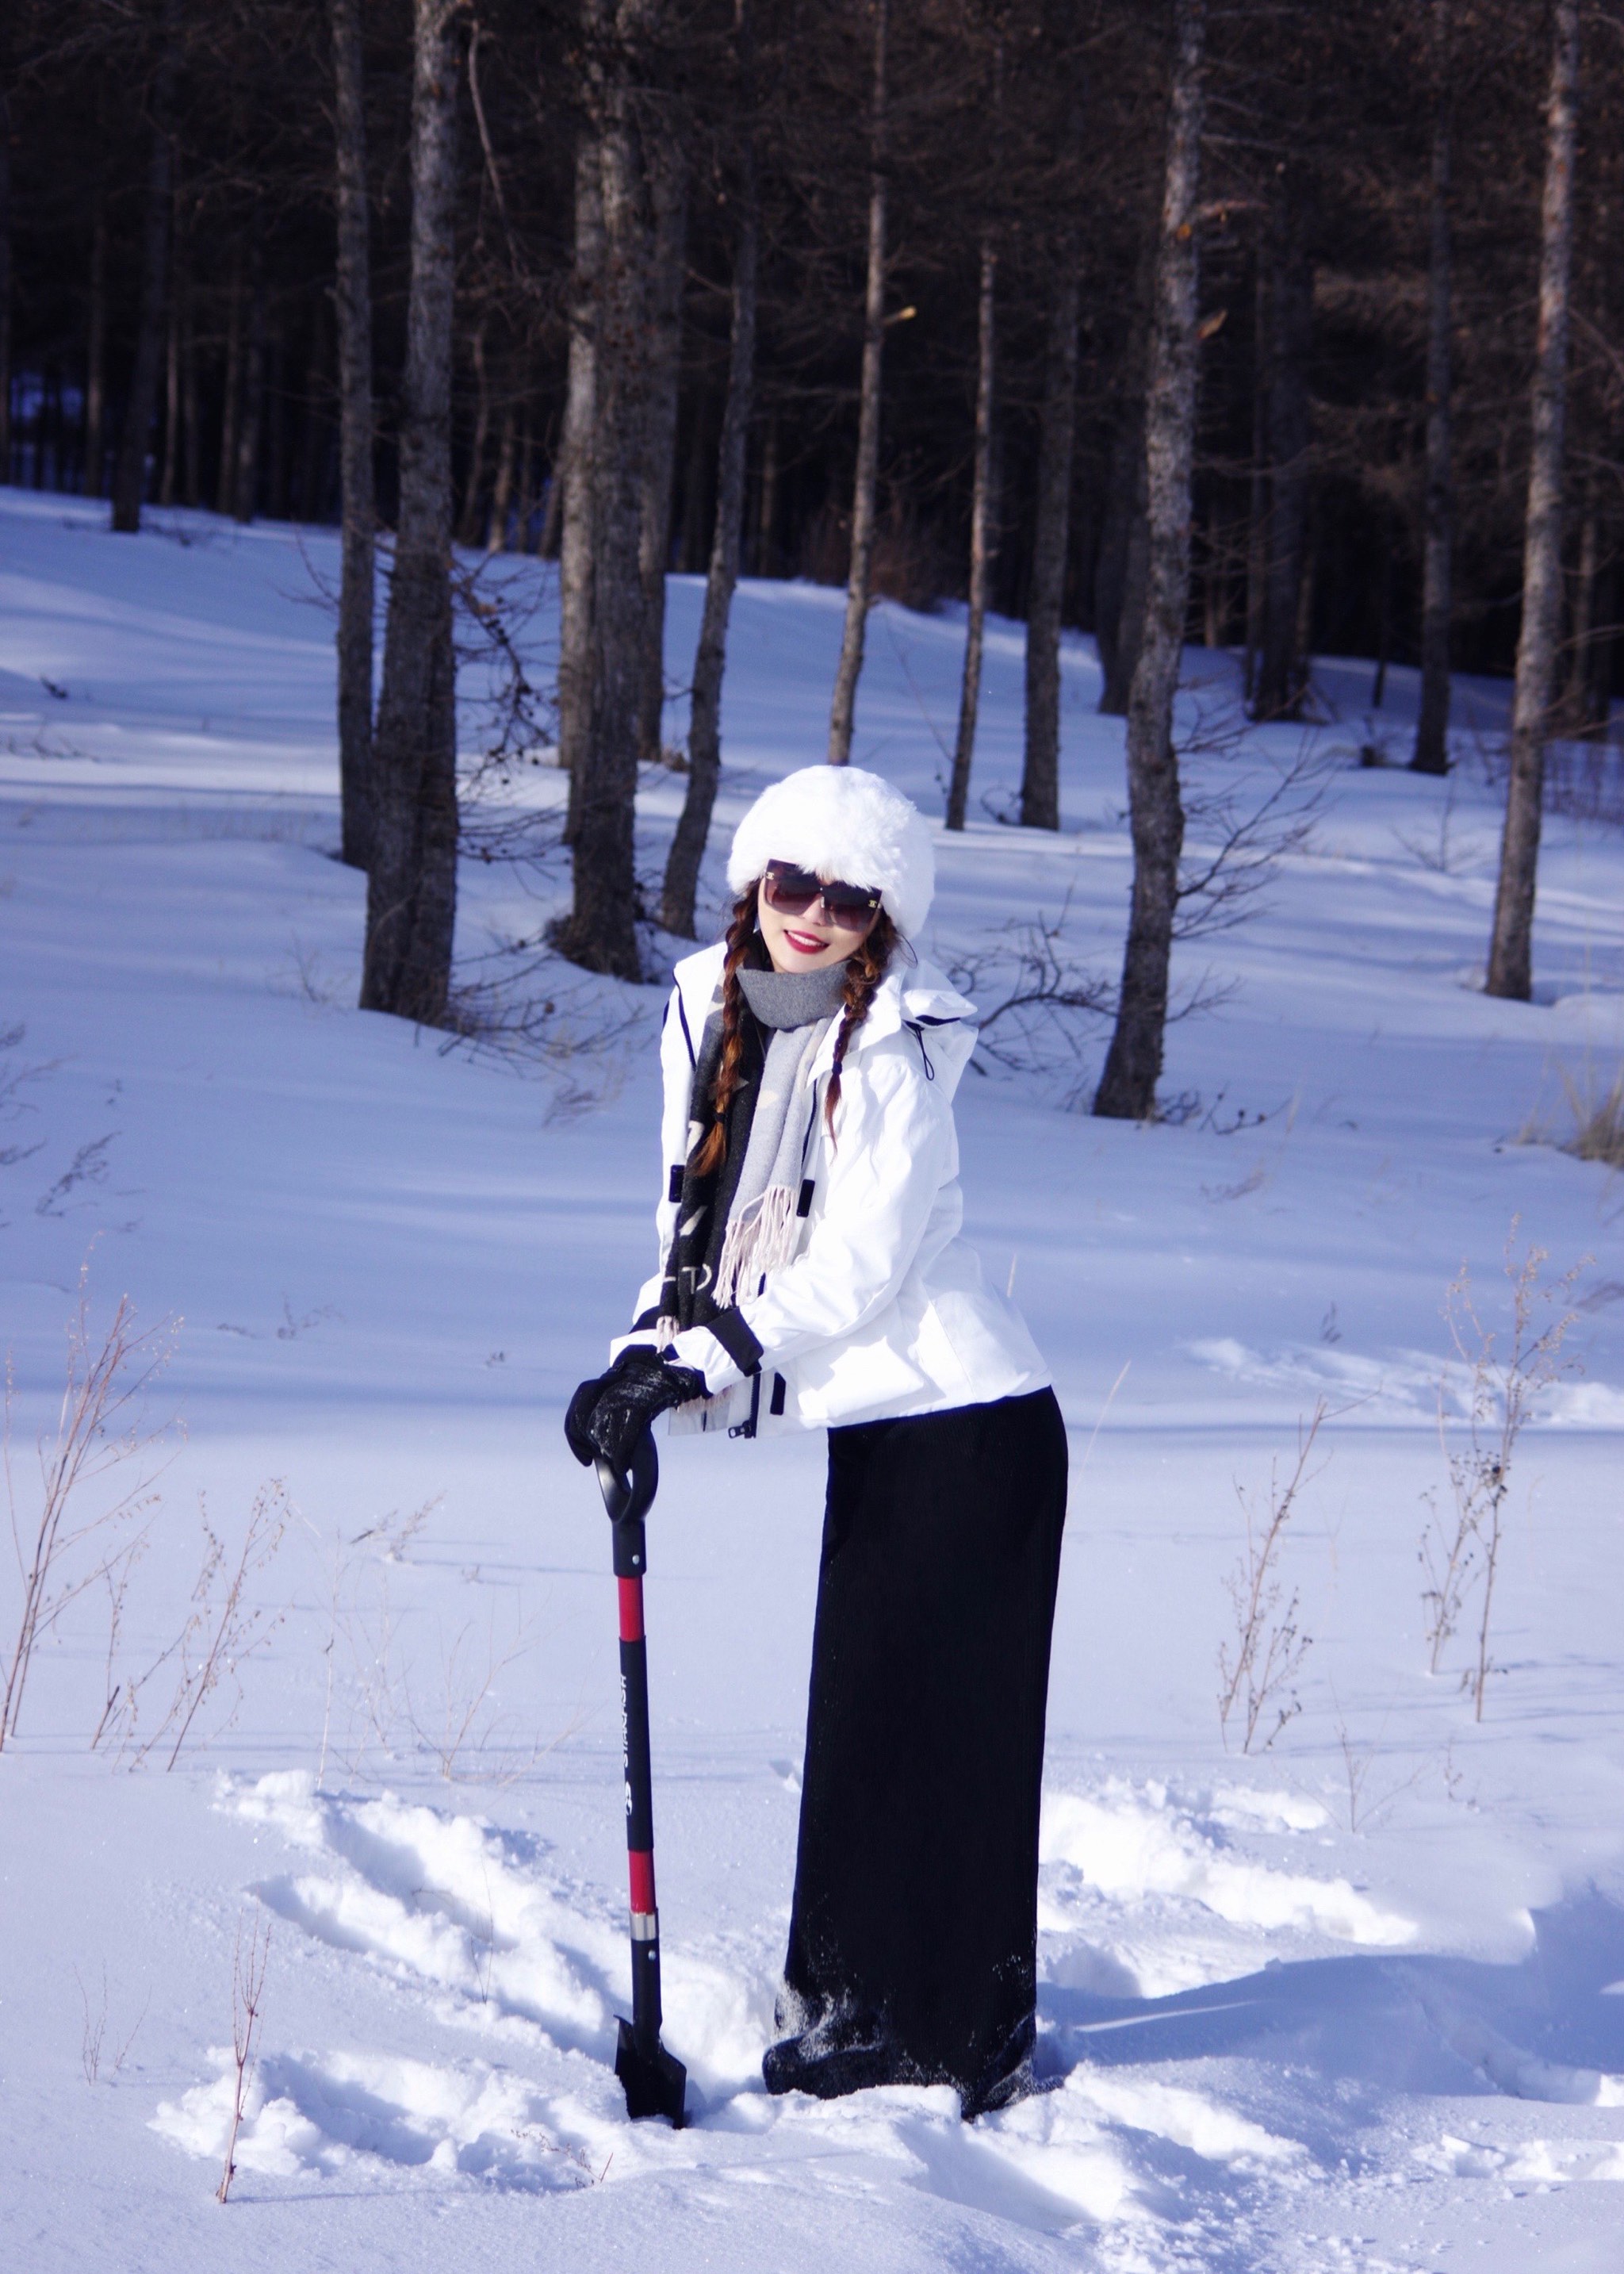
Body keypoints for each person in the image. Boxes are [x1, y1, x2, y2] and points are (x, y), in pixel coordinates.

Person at [566, 764, 1067, 2119]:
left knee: (941, 1739)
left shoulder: (891, 1046)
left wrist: (706, 1362)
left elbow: (859, 1265)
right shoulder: (711, 1013)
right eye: (791, 884)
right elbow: (687, 1227)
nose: (813, 917)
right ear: (753, 882)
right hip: (888, 1432)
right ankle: (854, 1998)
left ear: (884, 919)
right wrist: (638, 1361)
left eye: (850, 899)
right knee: (862, 1725)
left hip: (972, 1428)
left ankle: (948, 2035)